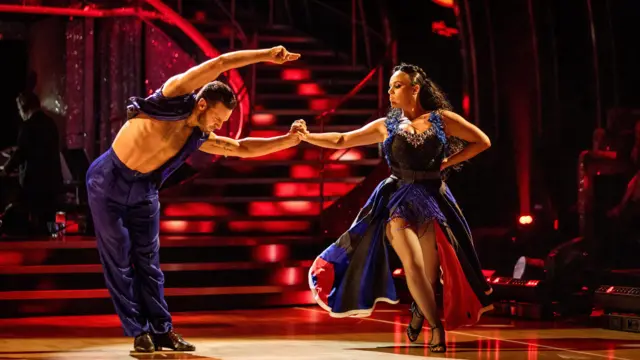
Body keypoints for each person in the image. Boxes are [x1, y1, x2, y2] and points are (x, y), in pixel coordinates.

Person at [86, 46, 305, 353]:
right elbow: (221, 62)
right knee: (120, 259)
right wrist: (266, 55)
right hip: (107, 180)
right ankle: (139, 331)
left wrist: (287, 140)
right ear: (202, 104)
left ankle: (163, 330)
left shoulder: (198, 136)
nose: (219, 126)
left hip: (144, 190)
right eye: (217, 118)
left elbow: (240, 147)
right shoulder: (172, 96)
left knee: (149, 264)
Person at [305, 63, 493, 353]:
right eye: (390, 86)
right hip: (397, 200)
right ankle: (437, 327)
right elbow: (342, 139)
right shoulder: (387, 125)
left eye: (397, 86)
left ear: (415, 89)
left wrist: (447, 163)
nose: (390, 91)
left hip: (432, 198)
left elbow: (482, 142)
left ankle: (419, 309)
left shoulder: (441, 120)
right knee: (414, 265)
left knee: (432, 275)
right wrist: (306, 136)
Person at [0, 92, 62, 236]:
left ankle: (36, 246)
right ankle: (53, 244)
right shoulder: (51, 123)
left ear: (23, 106)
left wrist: (5, 170)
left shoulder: (28, 126)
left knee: (35, 221)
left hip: (34, 183)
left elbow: (21, 153)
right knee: (49, 219)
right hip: (52, 180)